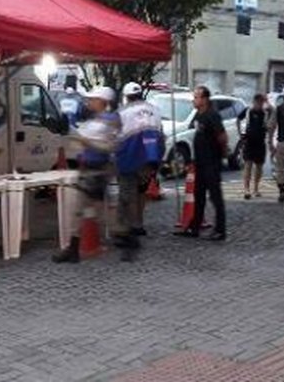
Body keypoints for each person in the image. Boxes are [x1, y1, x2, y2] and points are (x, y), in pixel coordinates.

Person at [52, 85, 118, 263]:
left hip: (98, 170)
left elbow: (108, 146)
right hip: (89, 169)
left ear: (103, 102)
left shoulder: (110, 120)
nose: (89, 102)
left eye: (93, 99)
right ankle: (73, 248)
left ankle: (123, 237)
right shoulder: (94, 119)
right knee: (81, 209)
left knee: (94, 211)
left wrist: (86, 142)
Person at [116, 82, 165, 258]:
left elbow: (116, 137)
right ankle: (138, 224)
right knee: (141, 192)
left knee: (126, 195)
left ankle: (125, 231)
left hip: (130, 159)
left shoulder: (123, 112)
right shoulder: (155, 110)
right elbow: (161, 135)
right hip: (150, 160)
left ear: (126, 96)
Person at [175, 85, 228, 241]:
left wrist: (222, 154)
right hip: (200, 161)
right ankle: (194, 227)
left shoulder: (213, 115)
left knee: (215, 197)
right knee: (198, 196)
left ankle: (220, 230)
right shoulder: (199, 115)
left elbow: (222, 137)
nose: (194, 100)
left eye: (197, 97)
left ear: (204, 99)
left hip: (212, 162)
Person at [236, 93, 267, 199]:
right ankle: (246, 189)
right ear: (254, 102)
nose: (260, 104)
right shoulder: (248, 111)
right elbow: (238, 119)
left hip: (260, 142)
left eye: (262, 102)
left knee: (259, 167)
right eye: (259, 102)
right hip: (249, 142)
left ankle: (256, 188)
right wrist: (240, 133)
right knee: (248, 165)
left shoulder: (265, 113)